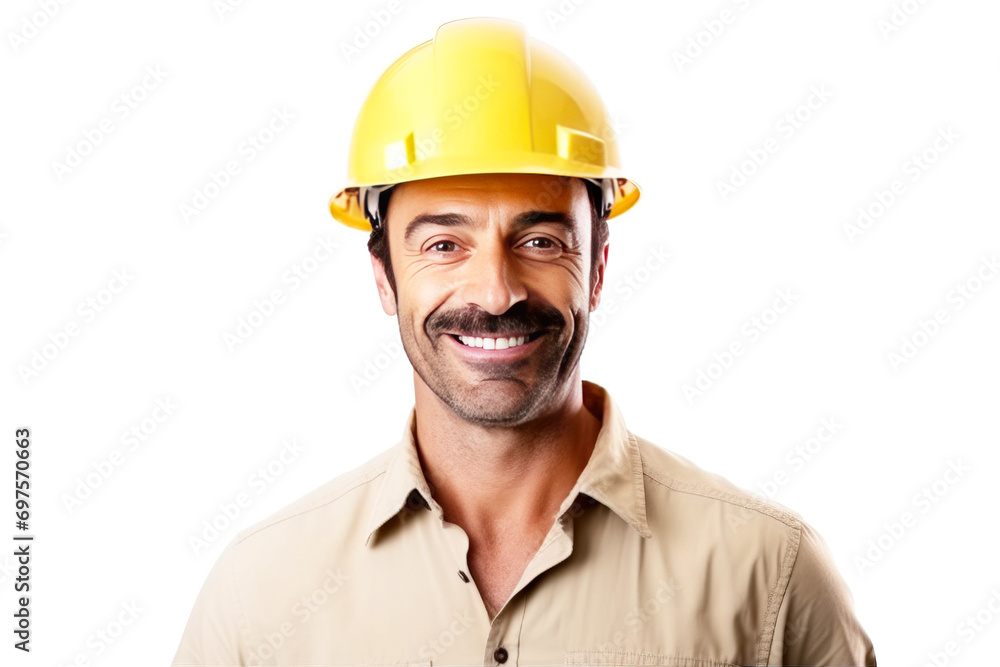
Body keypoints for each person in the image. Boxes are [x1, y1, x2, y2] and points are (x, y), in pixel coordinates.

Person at [171, 16, 877, 666]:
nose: (496, 291)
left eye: (539, 240)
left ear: (597, 267)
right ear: (383, 276)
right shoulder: (260, 596)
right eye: (445, 243)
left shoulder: (768, 573)